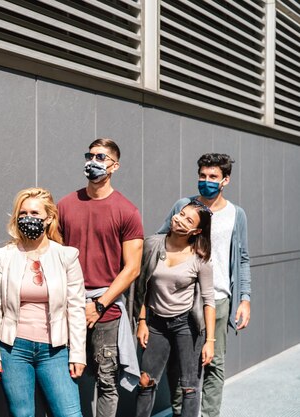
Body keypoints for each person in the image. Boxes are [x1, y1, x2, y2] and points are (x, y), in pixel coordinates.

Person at [158, 153, 251, 417]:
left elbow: (242, 258)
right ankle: (180, 413)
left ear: (225, 180)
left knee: (214, 363)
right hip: (182, 299)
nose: (206, 181)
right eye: (202, 176)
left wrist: (244, 297)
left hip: (219, 298)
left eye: (213, 177)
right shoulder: (183, 206)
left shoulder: (236, 214)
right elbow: (160, 240)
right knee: (179, 364)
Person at [0, 187, 87, 417]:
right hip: (13, 349)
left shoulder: (66, 256)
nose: (28, 218)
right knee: (23, 414)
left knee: (70, 413)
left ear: (48, 217)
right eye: (22, 213)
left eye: (34, 213)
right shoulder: (2, 257)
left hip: (56, 350)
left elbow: (76, 308)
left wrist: (78, 353)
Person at [57, 138, 143, 417]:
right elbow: (55, 255)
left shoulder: (127, 210)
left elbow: (132, 268)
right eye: (90, 156)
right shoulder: (66, 205)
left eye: (101, 158)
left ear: (114, 166)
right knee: (67, 377)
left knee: (107, 382)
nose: (93, 162)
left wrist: (99, 305)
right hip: (69, 307)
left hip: (105, 312)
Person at [134, 200, 216, 417]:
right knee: (145, 380)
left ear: (196, 230)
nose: (179, 220)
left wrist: (209, 341)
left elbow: (209, 301)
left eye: (188, 220)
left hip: (186, 325)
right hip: (156, 323)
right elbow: (142, 286)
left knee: (189, 386)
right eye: (181, 214)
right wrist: (142, 321)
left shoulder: (201, 258)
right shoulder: (152, 244)